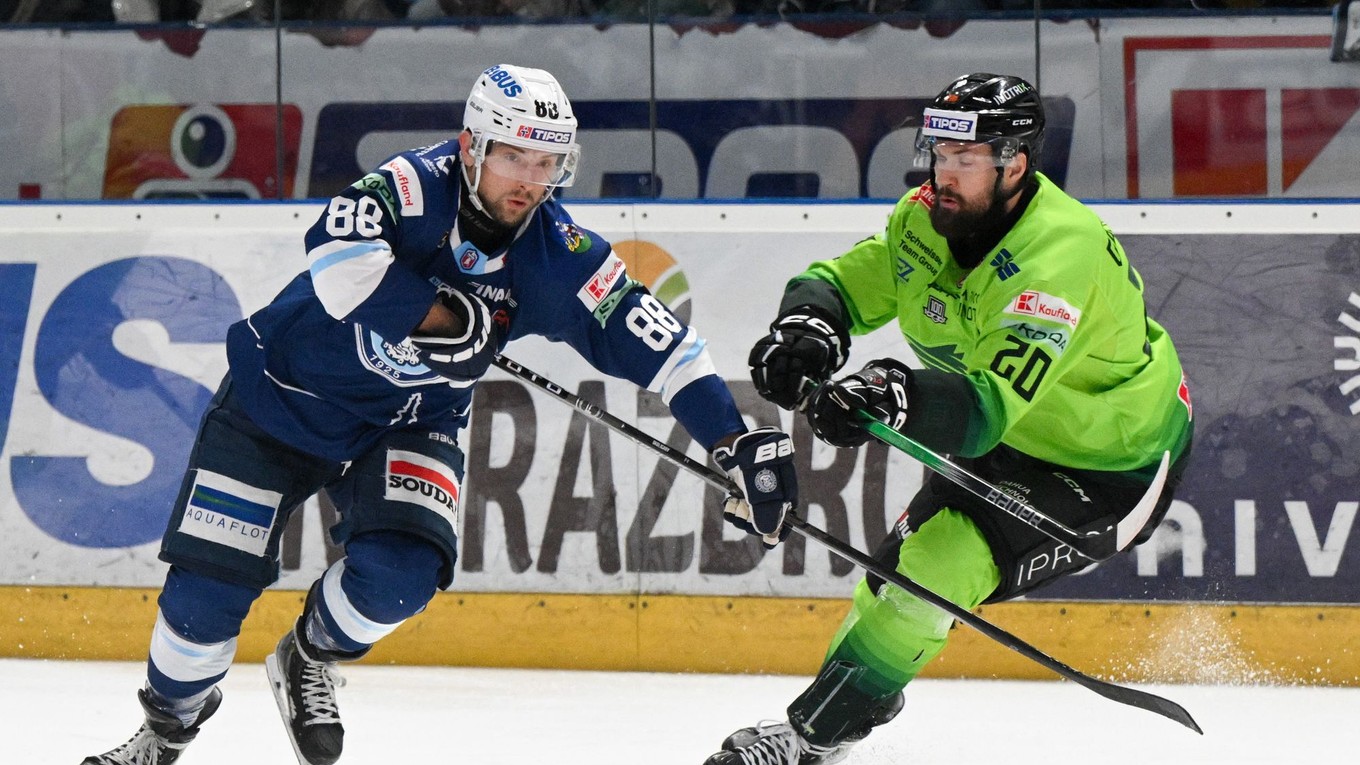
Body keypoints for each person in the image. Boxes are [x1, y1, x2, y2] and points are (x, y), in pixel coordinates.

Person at [81, 63, 798, 765]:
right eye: (513, 154)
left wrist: (735, 438)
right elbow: (335, 257)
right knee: (204, 602)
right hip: (280, 399)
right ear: (470, 147)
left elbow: (663, 344)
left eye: (546, 161)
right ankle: (166, 729)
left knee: (399, 578)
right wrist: (437, 315)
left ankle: (307, 655)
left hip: (411, 418)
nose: (528, 178)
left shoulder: (559, 252)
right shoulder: (412, 186)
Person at [706, 72, 1194, 764]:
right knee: (893, 575)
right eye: (939, 154)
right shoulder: (926, 217)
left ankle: (811, 738)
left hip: (1114, 462)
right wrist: (808, 325)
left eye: (964, 161)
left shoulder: (1060, 254)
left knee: (934, 569)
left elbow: (987, 406)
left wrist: (894, 393)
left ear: (1014, 165)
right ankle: (843, 711)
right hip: (1021, 433)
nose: (943, 174)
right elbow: (852, 281)